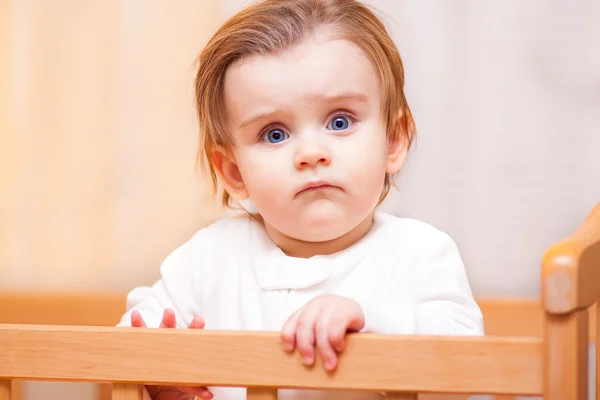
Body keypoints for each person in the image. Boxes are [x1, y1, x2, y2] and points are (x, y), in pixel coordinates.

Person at [117, 1, 485, 399]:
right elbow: (133, 333)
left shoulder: (419, 254)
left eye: (339, 121)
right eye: (274, 134)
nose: (311, 152)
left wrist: (371, 319)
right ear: (234, 172)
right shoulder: (208, 260)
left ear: (393, 141)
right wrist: (158, 377)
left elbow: (468, 364)